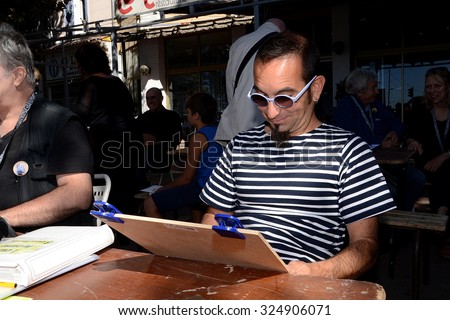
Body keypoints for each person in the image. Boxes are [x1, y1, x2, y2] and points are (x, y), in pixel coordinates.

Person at [199, 31, 396, 279]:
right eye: (260, 98)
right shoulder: (240, 146)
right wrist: (210, 235)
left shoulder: (349, 152)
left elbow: (365, 245)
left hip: (307, 286)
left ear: (315, 89)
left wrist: (317, 271)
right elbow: (215, 215)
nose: (271, 112)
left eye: (284, 98)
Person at [0, 23, 94, 234]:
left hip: (49, 253)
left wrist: (3, 219)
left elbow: (78, 194)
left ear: (17, 76)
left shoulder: (59, 123)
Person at [332, 68, 426, 211]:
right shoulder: (344, 108)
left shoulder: (376, 105)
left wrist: (394, 133)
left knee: (416, 178)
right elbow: (347, 141)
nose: (377, 91)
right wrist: (379, 145)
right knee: (390, 191)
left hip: (386, 165)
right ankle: (387, 228)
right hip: (362, 168)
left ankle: (402, 218)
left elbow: (398, 124)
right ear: (360, 90)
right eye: (373, 87)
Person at [71, 42, 141, 214]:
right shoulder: (117, 82)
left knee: (109, 190)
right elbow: (130, 109)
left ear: (84, 64)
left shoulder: (90, 84)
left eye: (79, 63)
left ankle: (111, 231)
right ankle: (128, 230)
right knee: (126, 190)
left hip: (107, 144)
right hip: (129, 142)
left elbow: (80, 114)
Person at [143, 92, 223, 222]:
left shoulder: (198, 137)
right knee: (194, 205)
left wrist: (162, 189)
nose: (186, 116)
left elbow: (186, 178)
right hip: (218, 187)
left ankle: (168, 241)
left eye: (188, 112)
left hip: (204, 188)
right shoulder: (221, 131)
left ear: (196, 115)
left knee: (149, 203)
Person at [214, 18, 286, 143]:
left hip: (232, 126)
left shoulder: (238, 43)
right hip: (260, 125)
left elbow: (230, 86)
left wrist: (236, 106)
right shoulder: (280, 43)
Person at [406, 67, 450, 257]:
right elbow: (409, 134)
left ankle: (441, 218)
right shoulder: (420, 110)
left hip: (447, 163)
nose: (432, 90)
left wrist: (445, 156)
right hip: (428, 164)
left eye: (437, 85)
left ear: (448, 87)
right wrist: (411, 141)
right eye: (428, 87)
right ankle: (443, 229)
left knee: (448, 170)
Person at [137, 87, 182, 176]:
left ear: (161, 98)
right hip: (142, 157)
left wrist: (155, 139)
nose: (150, 101)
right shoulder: (142, 118)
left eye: (153, 97)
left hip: (162, 157)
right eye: (147, 98)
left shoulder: (172, 116)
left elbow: (176, 139)